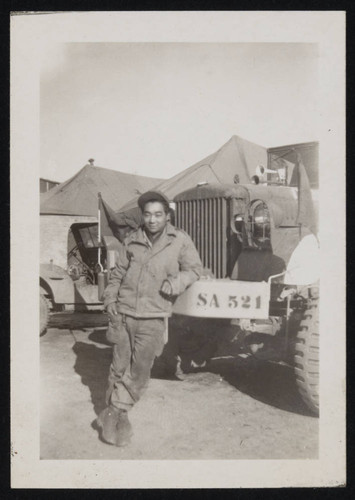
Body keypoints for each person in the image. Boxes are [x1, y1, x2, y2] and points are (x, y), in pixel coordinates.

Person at [96, 190, 203, 446]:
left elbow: (195, 270)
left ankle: (114, 410)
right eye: (147, 214)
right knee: (118, 367)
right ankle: (116, 419)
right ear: (142, 216)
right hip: (123, 313)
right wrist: (110, 300)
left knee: (141, 370)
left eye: (158, 214)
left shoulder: (179, 240)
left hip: (153, 316)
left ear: (167, 216)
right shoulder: (132, 240)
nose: (152, 219)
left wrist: (176, 282)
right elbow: (118, 274)